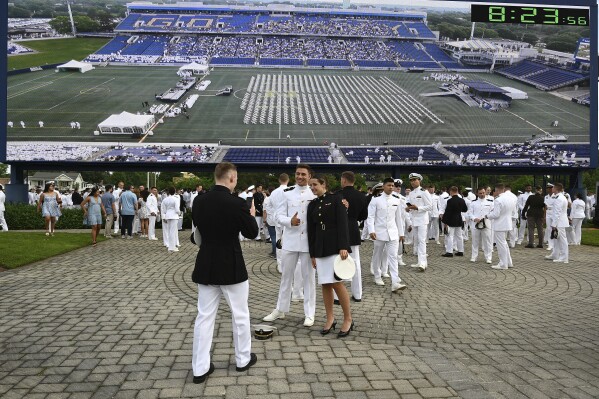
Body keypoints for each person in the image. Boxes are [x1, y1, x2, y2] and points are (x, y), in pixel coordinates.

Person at [191, 162, 259, 384]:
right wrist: (250, 214)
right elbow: (251, 233)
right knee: (239, 314)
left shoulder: (199, 200)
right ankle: (242, 359)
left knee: (204, 316)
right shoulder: (237, 203)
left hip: (206, 264)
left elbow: (196, 235)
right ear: (232, 178)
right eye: (236, 178)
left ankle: (200, 368)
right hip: (231, 264)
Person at [263, 164, 317, 327]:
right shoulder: (287, 193)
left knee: (309, 279)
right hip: (290, 241)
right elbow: (278, 215)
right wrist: (289, 221)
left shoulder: (314, 193)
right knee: (286, 277)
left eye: (303, 174)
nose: (300, 177)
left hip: (308, 243)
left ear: (309, 176)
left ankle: (309, 313)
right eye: (297, 174)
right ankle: (280, 309)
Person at [307, 175, 354, 337]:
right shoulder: (312, 204)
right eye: (310, 185)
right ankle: (330, 318)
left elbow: (343, 223)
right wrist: (312, 253)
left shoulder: (336, 199)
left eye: (315, 184)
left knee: (337, 283)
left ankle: (348, 319)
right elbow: (311, 231)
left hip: (335, 246)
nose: (312, 187)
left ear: (323, 184)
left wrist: (343, 245)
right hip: (320, 247)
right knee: (325, 284)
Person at [367, 178, 407, 292]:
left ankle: (395, 281)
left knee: (393, 257)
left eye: (392, 185)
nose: (391, 187)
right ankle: (377, 276)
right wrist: (371, 230)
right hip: (379, 233)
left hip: (393, 233)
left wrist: (401, 233)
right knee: (377, 255)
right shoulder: (376, 200)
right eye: (389, 185)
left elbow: (398, 219)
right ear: (383, 186)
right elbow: (370, 217)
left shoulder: (396, 201)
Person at [337, 171, 368, 302]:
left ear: (344, 180)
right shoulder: (361, 196)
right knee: (356, 262)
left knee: (337, 262)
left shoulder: (338, 194)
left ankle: (337, 297)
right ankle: (357, 294)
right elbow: (364, 216)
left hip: (339, 229)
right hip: (354, 228)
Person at [487, 183, 517, 270]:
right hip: (507, 223)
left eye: (494, 191)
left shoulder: (498, 200)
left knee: (501, 245)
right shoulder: (510, 198)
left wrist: (487, 215)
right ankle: (508, 262)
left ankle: (503, 264)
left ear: (497, 190)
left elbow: (496, 214)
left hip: (500, 224)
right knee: (504, 243)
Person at [406, 173, 432, 272]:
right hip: (414, 219)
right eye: (411, 180)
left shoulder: (424, 192)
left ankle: (423, 263)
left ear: (419, 180)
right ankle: (419, 261)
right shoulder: (411, 193)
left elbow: (430, 206)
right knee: (416, 241)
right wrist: (408, 209)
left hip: (422, 220)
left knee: (421, 241)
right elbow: (412, 206)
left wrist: (418, 208)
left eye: (415, 180)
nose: (413, 182)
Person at [468, 187, 494, 263]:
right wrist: (474, 218)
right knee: (475, 241)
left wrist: (485, 217)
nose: (482, 194)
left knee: (487, 241)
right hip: (475, 224)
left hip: (486, 224)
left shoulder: (490, 202)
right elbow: (470, 213)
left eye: (483, 193)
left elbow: (492, 212)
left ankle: (488, 257)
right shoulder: (473, 203)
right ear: (477, 193)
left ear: (485, 192)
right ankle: (474, 257)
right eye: (480, 193)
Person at [441, 186, 468, 257]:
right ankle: (461, 251)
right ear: (457, 191)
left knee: (450, 236)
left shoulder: (450, 201)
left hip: (451, 220)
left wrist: (445, 221)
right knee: (459, 236)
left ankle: (449, 252)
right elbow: (465, 209)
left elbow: (448, 212)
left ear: (451, 191)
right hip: (459, 219)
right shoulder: (462, 200)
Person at [546, 183, 569, 263]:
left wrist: (554, 224)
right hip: (560, 221)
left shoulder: (559, 198)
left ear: (556, 189)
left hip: (560, 222)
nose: (552, 189)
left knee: (562, 240)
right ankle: (555, 254)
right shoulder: (559, 197)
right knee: (556, 239)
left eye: (553, 188)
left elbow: (557, 212)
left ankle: (564, 257)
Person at [161, 187, 181, 252]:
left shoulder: (165, 199)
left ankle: (170, 246)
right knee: (173, 231)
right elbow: (177, 209)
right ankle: (172, 247)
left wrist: (165, 215)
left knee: (169, 231)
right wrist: (179, 213)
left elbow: (163, 210)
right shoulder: (175, 199)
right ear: (174, 191)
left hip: (168, 215)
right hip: (174, 215)